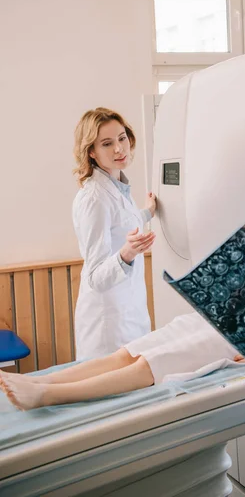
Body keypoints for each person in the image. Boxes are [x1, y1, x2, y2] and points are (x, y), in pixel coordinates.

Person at [0, 313, 241, 410]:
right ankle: (41, 381)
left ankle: (48, 394)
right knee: (128, 353)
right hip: (222, 313)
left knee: (150, 363)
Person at [72, 107, 157, 360]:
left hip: (129, 312)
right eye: (107, 143)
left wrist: (147, 213)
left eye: (121, 138)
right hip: (108, 323)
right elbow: (96, 277)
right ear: (91, 152)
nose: (119, 149)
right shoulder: (94, 197)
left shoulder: (117, 187)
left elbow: (120, 224)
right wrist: (127, 253)